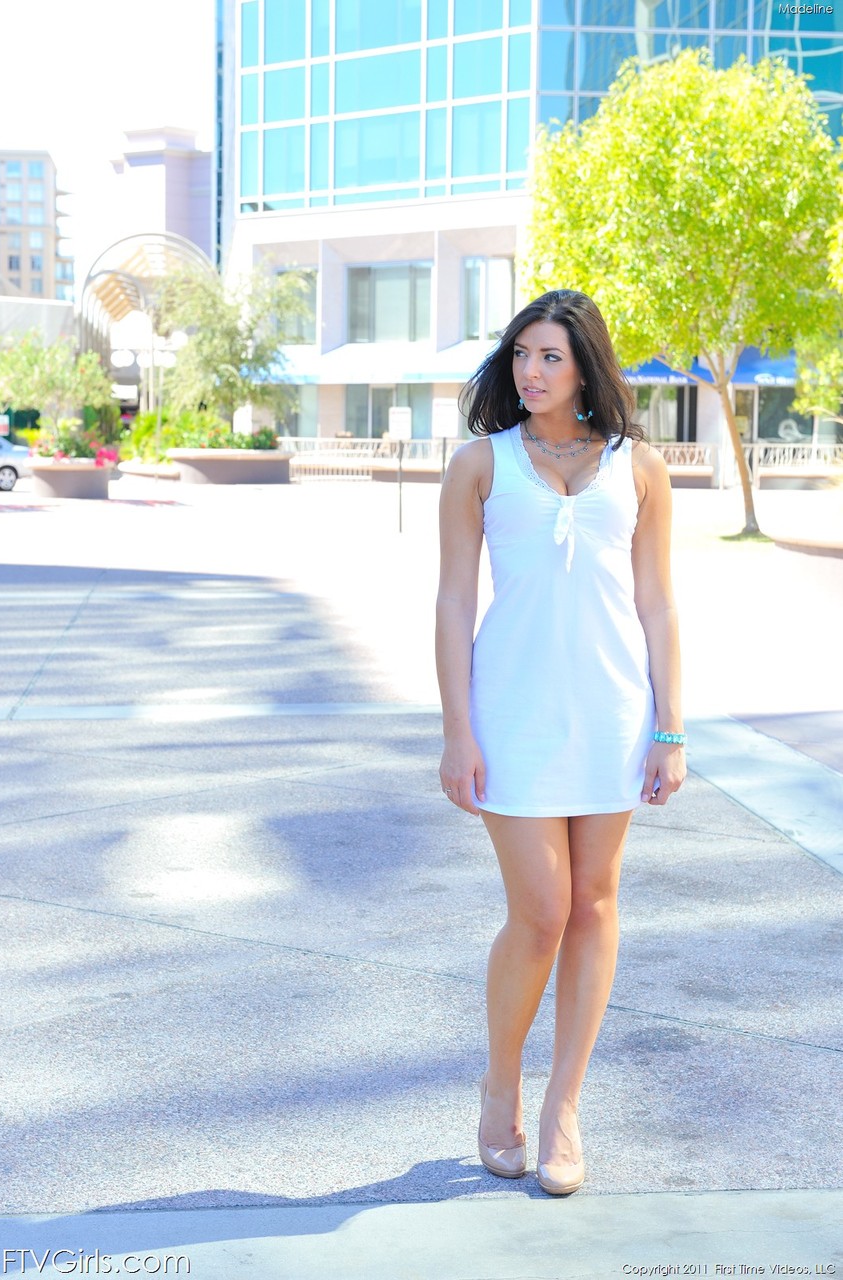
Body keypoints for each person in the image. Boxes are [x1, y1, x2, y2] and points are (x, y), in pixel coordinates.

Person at [435, 289, 686, 1196]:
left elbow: (656, 603)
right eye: (520, 355)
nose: (531, 372)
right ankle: (499, 1083)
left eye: (549, 356)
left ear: (585, 366)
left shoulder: (638, 467)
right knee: (540, 910)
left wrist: (669, 728)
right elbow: (453, 602)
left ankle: (563, 1107)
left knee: (594, 906)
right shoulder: (480, 464)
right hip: (511, 715)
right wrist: (456, 730)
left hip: (612, 714)